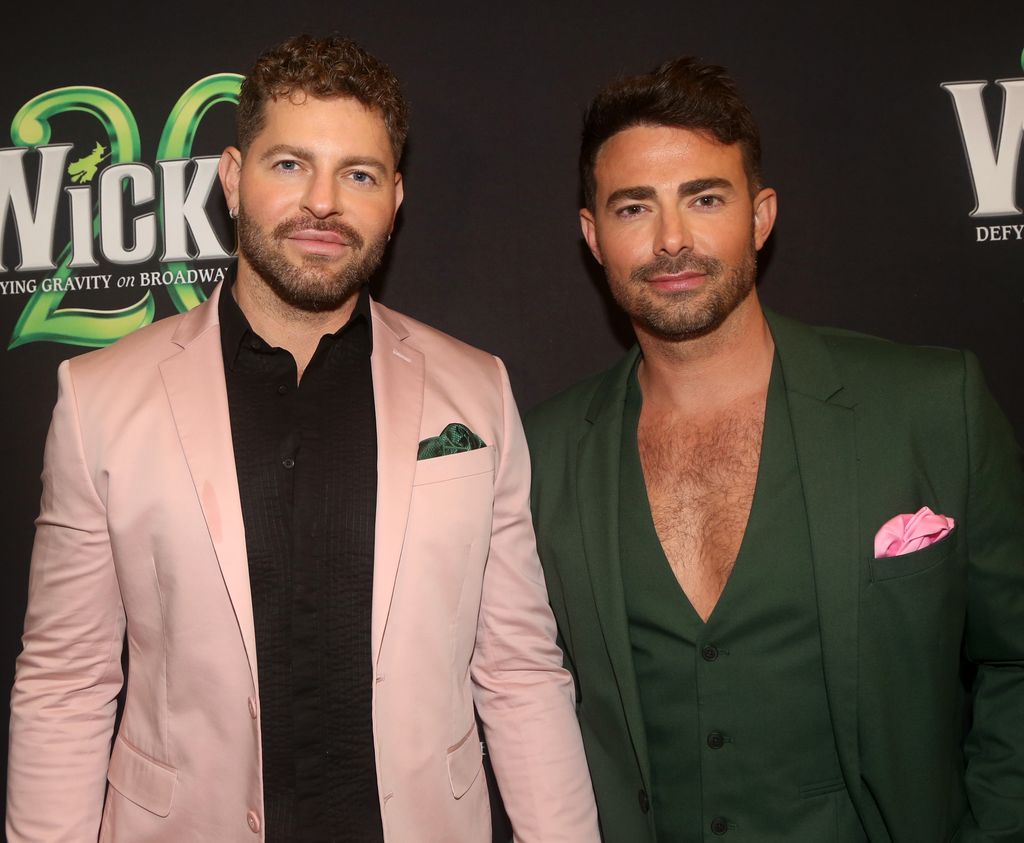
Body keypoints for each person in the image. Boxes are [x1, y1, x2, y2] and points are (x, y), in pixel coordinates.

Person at [7, 34, 598, 843]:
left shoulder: (476, 389)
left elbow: (521, 670)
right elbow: (66, 683)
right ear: (230, 177)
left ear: (394, 196)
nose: (322, 202)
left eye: (356, 174)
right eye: (289, 164)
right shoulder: (99, 398)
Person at [525, 57, 1024, 842]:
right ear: (593, 236)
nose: (671, 240)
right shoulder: (544, 452)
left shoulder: (929, 405)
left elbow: (1017, 658)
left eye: (705, 197)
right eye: (632, 208)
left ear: (760, 216)